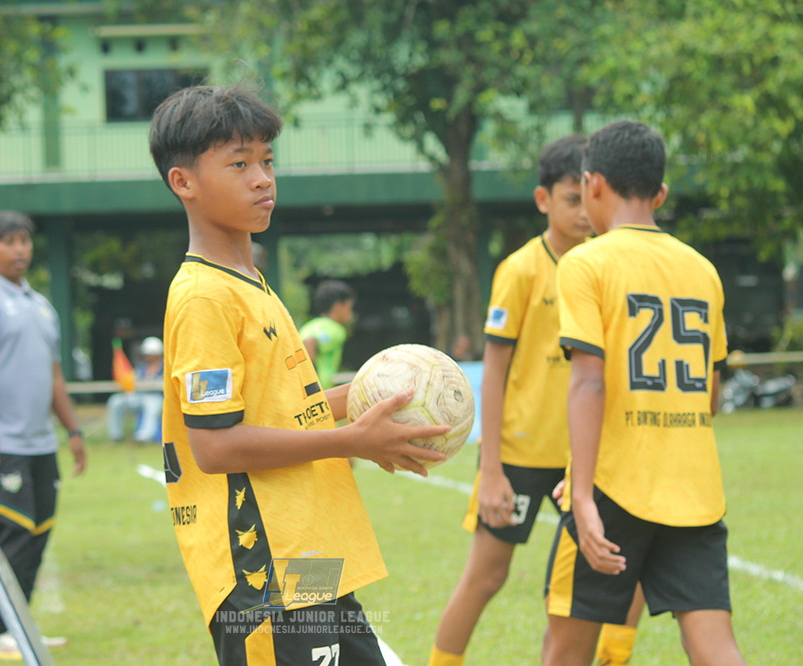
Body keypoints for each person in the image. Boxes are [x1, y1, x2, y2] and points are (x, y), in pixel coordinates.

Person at [150, 84, 450, 666]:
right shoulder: (203, 296)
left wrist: (366, 394)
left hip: (308, 551)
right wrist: (351, 441)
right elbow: (215, 446)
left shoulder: (251, 282)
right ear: (183, 182)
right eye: (239, 164)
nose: (262, 179)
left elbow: (285, 409)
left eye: (267, 161)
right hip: (261, 572)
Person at [429, 134, 642, 666]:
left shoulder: (606, 265)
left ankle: (612, 657)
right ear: (543, 199)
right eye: (570, 200)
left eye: (586, 197)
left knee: (618, 568)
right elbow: (495, 373)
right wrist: (492, 470)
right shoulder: (520, 269)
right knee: (485, 577)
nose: (582, 211)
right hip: (521, 457)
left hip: (588, 459)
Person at [543, 120, 744, 665]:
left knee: (566, 651)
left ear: (593, 183)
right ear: (661, 193)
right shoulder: (703, 271)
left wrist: (582, 495)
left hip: (613, 487)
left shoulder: (586, 262)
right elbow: (710, 398)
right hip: (695, 490)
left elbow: (589, 381)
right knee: (716, 646)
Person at [0, 209, 88, 661]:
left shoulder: (41, 306)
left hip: (40, 443)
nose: (20, 249)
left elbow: (54, 377)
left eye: (24, 240)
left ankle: (19, 627)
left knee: (38, 534)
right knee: (14, 533)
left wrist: (73, 430)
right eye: (8, 241)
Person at [106, 335, 165, 442]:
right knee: (115, 401)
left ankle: (143, 437)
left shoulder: (165, 368)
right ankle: (116, 436)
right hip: (138, 396)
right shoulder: (140, 368)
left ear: (157, 354)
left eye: (149, 354)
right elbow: (131, 381)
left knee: (151, 405)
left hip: (157, 398)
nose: (146, 356)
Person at [299, 279, 356, 389]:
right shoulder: (335, 329)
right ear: (338, 307)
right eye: (349, 308)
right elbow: (309, 342)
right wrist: (311, 385)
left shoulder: (309, 326)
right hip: (320, 390)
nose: (351, 313)